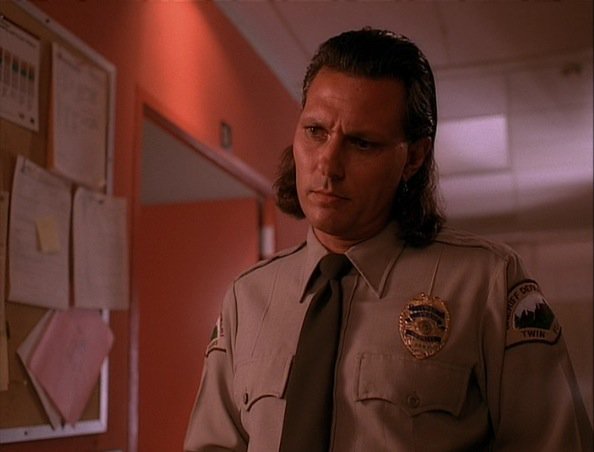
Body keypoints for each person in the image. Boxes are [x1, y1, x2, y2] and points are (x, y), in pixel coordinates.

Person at [184, 28, 592, 451]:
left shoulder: (485, 283)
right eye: (315, 131)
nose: (328, 164)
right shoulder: (247, 299)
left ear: (413, 157)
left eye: (362, 143)